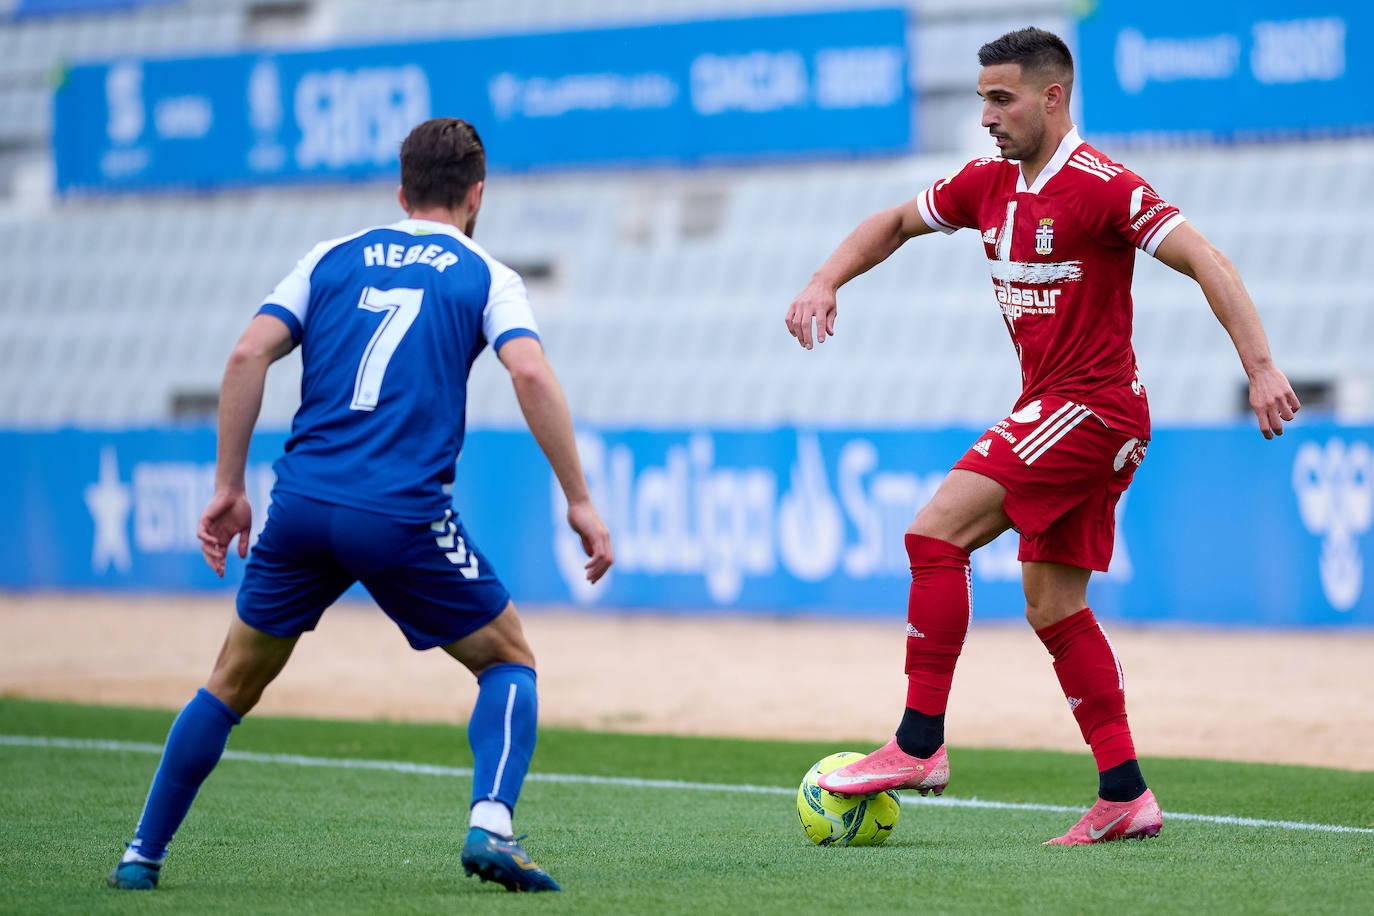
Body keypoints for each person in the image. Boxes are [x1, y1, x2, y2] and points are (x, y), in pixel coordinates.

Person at [784, 28, 1299, 845]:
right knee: (1052, 603)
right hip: (1070, 409)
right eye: (982, 98)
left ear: (1053, 98)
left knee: (933, 533)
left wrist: (1261, 367)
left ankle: (919, 742)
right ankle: (1125, 792)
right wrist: (823, 280)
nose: (986, 116)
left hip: (1091, 408)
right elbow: (891, 223)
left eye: (1002, 98)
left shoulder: (1104, 186)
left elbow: (1207, 258)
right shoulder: (985, 184)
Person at [107, 117, 613, 892]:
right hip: (400, 511)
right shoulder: (485, 273)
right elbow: (532, 376)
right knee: (508, 660)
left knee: (230, 683)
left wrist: (228, 486)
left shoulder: (330, 257)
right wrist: (579, 498)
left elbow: (247, 353)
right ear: (478, 195)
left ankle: (142, 854)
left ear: (400, 190)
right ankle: (492, 826)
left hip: (303, 504)